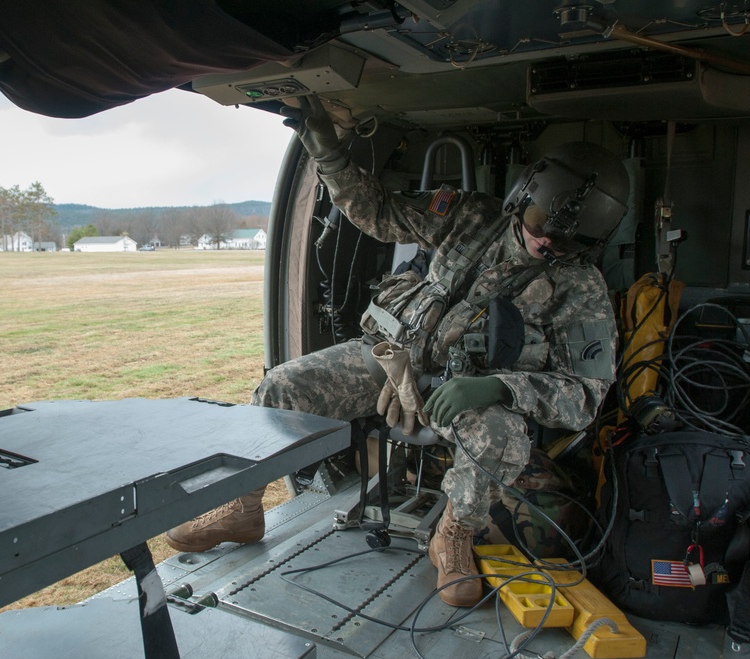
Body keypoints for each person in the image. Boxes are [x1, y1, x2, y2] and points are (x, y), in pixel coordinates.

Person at [165, 95, 628, 608]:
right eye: (541, 222)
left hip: (468, 394)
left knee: (499, 435)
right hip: (392, 358)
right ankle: (244, 507)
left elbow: (586, 395)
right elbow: (380, 212)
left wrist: (499, 385)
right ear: (524, 196)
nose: (546, 242)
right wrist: (330, 155)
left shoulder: (580, 288)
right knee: (282, 386)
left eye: (566, 240)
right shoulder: (470, 216)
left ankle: (453, 537)